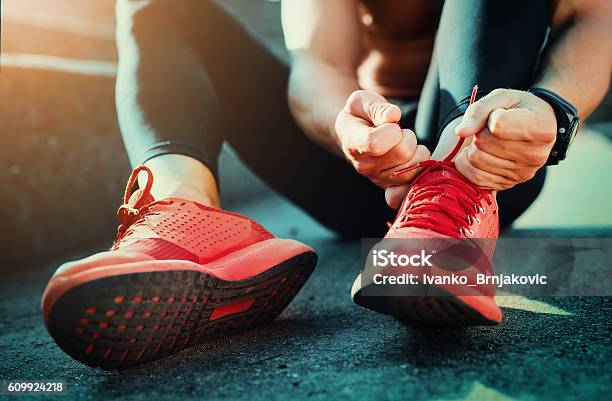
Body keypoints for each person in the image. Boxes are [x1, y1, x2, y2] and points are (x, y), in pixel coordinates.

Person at [41, 0, 611, 369]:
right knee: (158, 5)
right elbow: (316, 63)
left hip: (492, 157)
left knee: (472, 149)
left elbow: (596, 17)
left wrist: (553, 109)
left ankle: (448, 214)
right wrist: (348, 127)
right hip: (364, 160)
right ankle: (186, 213)